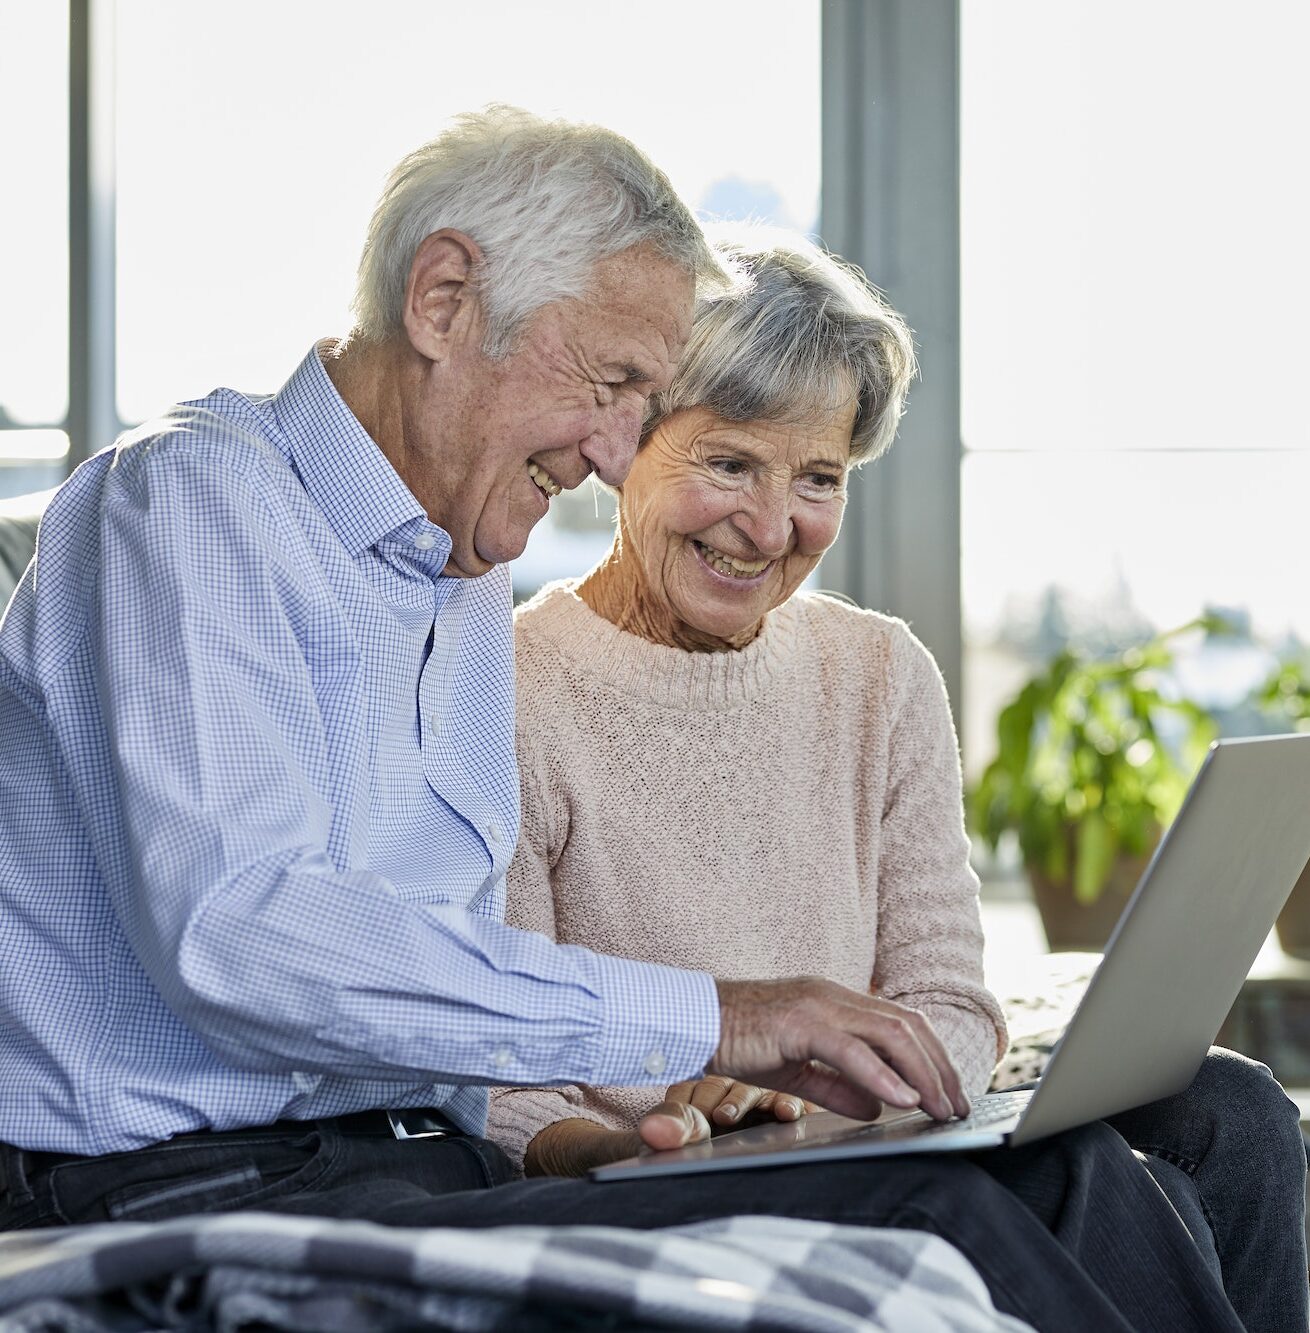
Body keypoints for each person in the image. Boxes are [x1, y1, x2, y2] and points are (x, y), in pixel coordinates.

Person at [0, 106, 1250, 1331]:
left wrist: (664, 1119)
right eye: (611, 386)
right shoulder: (188, 506)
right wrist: (722, 1019)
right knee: (941, 1209)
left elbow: (449, 991)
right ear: (441, 302)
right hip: (210, 1187)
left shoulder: (455, 579)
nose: (612, 457)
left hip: (412, 1170)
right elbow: (244, 934)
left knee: (1094, 1168)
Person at [487, 228, 1308, 1331]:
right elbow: (494, 1080)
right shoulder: (510, 690)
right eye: (728, 461)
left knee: (1238, 1108)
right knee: (1130, 1198)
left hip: (868, 1127)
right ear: (629, 439)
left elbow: (947, 1000)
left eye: (815, 477)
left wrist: (850, 1095)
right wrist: (637, 1136)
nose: (770, 525)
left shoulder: (877, 672)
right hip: (665, 1166)